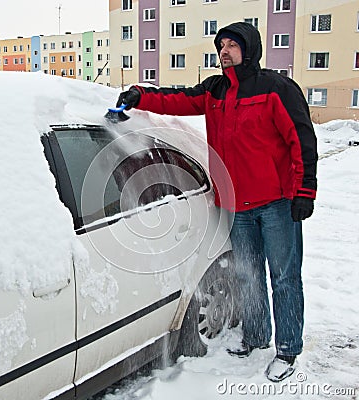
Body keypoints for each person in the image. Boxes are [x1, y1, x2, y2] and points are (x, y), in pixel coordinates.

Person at [115, 22, 318, 382]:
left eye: (232, 45)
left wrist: (304, 192)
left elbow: (301, 140)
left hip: (276, 203)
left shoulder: (276, 89)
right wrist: (139, 96)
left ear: (249, 49)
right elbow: (176, 99)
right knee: (250, 275)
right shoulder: (215, 90)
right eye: (221, 45)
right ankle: (256, 338)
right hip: (237, 205)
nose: (224, 51)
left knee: (284, 277)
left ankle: (287, 349)